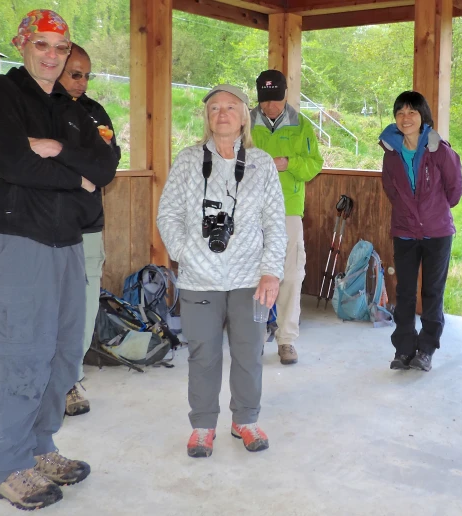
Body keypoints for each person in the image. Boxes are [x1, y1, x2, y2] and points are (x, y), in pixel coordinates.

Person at [0, 9, 118, 510]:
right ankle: (6, 466)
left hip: (68, 242)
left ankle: (40, 447)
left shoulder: (71, 108)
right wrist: (75, 176)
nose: (52, 57)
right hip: (17, 240)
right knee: (22, 356)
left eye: (60, 48)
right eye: (42, 47)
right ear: (23, 46)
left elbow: (105, 167)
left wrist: (57, 150)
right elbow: (9, 160)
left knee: (61, 353)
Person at [157, 84, 286, 457]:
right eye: (215, 108)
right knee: (203, 354)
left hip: (251, 280)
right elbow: (168, 215)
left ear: (245, 116)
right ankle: (202, 426)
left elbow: (276, 224)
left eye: (231, 107)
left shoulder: (261, 164)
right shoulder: (187, 161)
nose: (223, 113)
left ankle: (244, 420)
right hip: (200, 279)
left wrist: (271, 272)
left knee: (249, 352)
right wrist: (187, 253)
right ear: (207, 117)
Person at [379, 91, 462, 373]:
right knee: (404, 293)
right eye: (400, 113)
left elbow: (454, 190)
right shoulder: (391, 153)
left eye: (412, 112)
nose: (406, 118)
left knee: (432, 292)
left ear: (422, 116)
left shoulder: (439, 150)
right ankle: (403, 349)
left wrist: (433, 211)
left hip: (437, 232)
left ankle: (426, 349)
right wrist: (410, 215)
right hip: (404, 231)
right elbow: (391, 190)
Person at [58, 42, 121, 417]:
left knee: (83, 304)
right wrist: (77, 170)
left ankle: (70, 379)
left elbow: (108, 164)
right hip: (44, 225)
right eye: (74, 74)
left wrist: (70, 161)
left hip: (88, 223)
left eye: (86, 75)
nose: (81, 82)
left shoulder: (96, 113)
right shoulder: (38, 109)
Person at [250, 69, 324, 366]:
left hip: (288, 209)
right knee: (251, 274)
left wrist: (289, 163)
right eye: (266, 102)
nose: (271, 107)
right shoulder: (245, 123)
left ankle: (286, 340)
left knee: (290, 274)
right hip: (250, 209)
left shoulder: (301, 125)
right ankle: (252, 338)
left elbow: (314, 164)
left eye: (276, 101)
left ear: (284, 95)